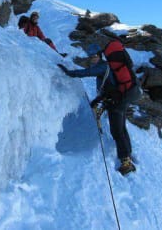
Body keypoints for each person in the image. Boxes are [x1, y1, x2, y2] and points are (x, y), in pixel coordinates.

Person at [57, 43, 136, 175]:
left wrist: (69, 72)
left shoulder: (103, 66)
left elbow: (87, 72)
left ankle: (126, 161)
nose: (92, 59)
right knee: (121, 128)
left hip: (116, 102)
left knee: (117, 131)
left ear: (99, 56)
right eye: (91, 57)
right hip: (119, 100)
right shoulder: (107, 67)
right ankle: (127, 154)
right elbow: (108, 88)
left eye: (94, 56)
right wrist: (97, 101)